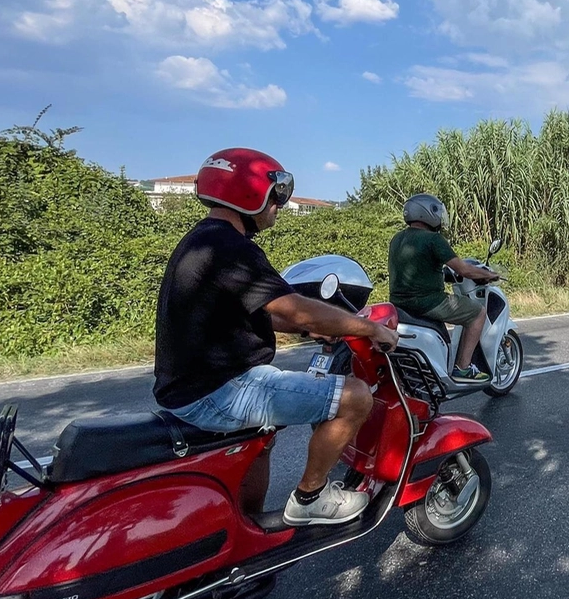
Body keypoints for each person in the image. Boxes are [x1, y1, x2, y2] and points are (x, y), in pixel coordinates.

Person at [152, 147, 399, 527]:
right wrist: (369, 327)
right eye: (276, 195)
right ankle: (310, 497)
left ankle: (244, 526)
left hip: (192, 387)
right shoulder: (231, 248)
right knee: (354, 396)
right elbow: (291, 306)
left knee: (262, 440)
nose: (279, 205)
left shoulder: (204, 241)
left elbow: (258, 311)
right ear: (247, 193)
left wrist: (310, 328)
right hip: (221, 392)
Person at [387, 193, 498, 382]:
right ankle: (463, 368)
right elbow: (464, 270)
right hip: (428, 301)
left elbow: (421, 265)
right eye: (436, 211)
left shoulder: (397, 239)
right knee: (477, 312)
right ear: (427, 213)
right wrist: (489, 274)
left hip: (398, 303)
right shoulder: (433, 239)